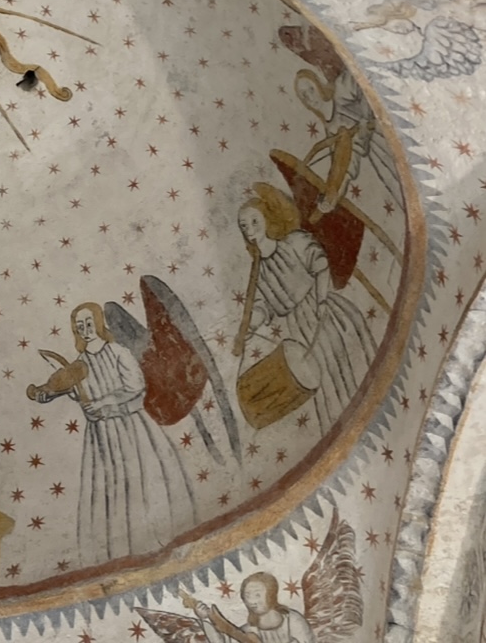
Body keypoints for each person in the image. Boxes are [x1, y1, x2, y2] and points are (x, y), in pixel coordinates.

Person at [32, 302, 196, 566]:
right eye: (79, 326)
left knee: (141, 479)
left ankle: (155, 539)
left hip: (129, 427)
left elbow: (135, 387)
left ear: (99, 323)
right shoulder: (79, 365)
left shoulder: (118, 352)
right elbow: (65, 386)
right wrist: (45, 393)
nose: (85, 329)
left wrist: (103, 403)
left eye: (89, 323)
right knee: (112, 487)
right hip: (102, 436)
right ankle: (122, 548)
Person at [236, 185, 377, 427]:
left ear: (267, 218)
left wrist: (320, 302)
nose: (249, 229)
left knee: (343, 359)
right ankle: (346, 422)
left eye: (253, 221)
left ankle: (371, 405)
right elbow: (263, 306)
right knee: (321, 377)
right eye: (244, 226)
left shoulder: (294, 242)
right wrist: (250, 326)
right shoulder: (258, 270)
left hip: (325, 312)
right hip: (299, 328)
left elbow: (320, 266)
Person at [294, 68, 402, 215]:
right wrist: (331, 199)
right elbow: (344, 167)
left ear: (319, 84)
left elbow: (363, 80)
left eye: (311, 89)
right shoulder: (332, 129)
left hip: (387, 129)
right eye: (304, 95)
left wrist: (365, 118)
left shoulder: (341, 89)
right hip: (379, 154)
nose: (310, 98)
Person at [195, 572, 316, 643]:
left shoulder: (293, 621)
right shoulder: (248, 631)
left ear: (271, 594)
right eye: (247, 596)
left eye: (257, 595)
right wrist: (205, 618)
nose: (252, 601)